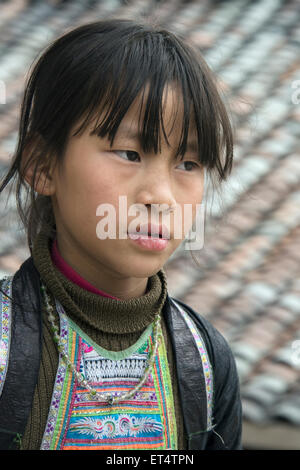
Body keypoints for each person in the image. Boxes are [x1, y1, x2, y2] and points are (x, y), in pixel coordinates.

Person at [0, 18, 242, 450]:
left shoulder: (205, 364)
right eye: (129, 153)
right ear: (41, 164)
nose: (161, 195)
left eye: (188, 164)